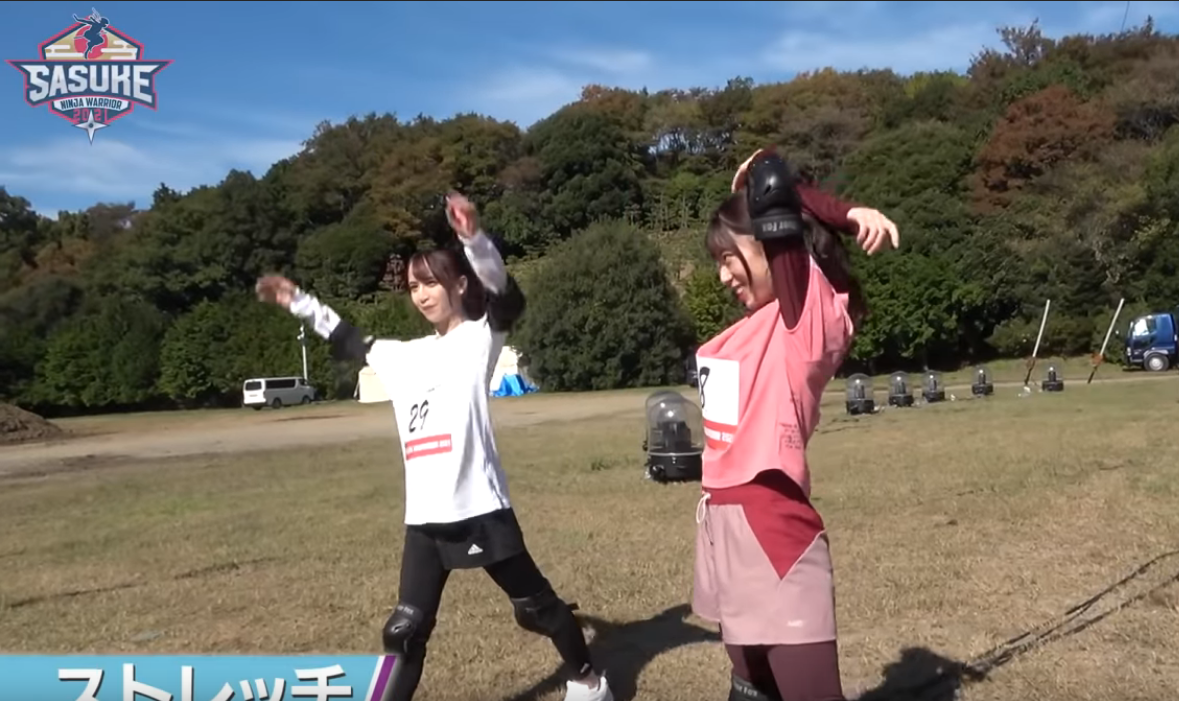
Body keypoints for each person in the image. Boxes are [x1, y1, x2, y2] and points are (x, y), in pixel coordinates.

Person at [254, 193, 613, 701]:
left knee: (536, 609)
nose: (422, 295)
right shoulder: (400, 356)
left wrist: (473, 237)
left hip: (480, 512)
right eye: (413, 286)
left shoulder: (479, 339)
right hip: (424, 522)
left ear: (459, 284)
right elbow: (346, 337)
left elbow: (507, 294)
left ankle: (590, 681)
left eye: (431, 283)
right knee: (404, 632)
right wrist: (297, 300)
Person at [692, 150, 898, 701]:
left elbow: (772, 175)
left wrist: (846, 213)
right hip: (724, 529)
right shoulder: (759, 324)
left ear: (767, 240)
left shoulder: (805, 319)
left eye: (728, 257)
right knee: (750, 687)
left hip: (772, 533)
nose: (722, 275)